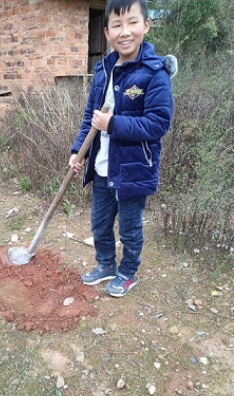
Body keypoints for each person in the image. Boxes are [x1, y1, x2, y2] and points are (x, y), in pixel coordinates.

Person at [69, 0, 177, 298]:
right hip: (102, 167)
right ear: (107, 32)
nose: (125, 31)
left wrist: (114, 123)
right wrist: (78, 152)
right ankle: (105, 265)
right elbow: (90, 120)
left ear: (146, 25)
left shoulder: (155, 74)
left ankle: (128, 273)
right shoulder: (102, 72)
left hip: (134, 169)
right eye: (117, 25)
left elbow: (157, 124)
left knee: (129, 229)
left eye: (132, 22)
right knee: (100, 224)